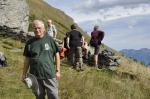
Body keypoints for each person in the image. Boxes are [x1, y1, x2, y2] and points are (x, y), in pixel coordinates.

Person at [22, 20, 60, 99]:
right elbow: (27, 60)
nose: (37, 30)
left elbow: (57, 55)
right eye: (35, 28)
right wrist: (24, 74)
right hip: (35, 76)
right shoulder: (29, 43)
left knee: (53, 96)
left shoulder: (50, 40)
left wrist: (58, 71)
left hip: (50, 74)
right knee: (39, 96)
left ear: (44, 29)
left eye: (39, 28)